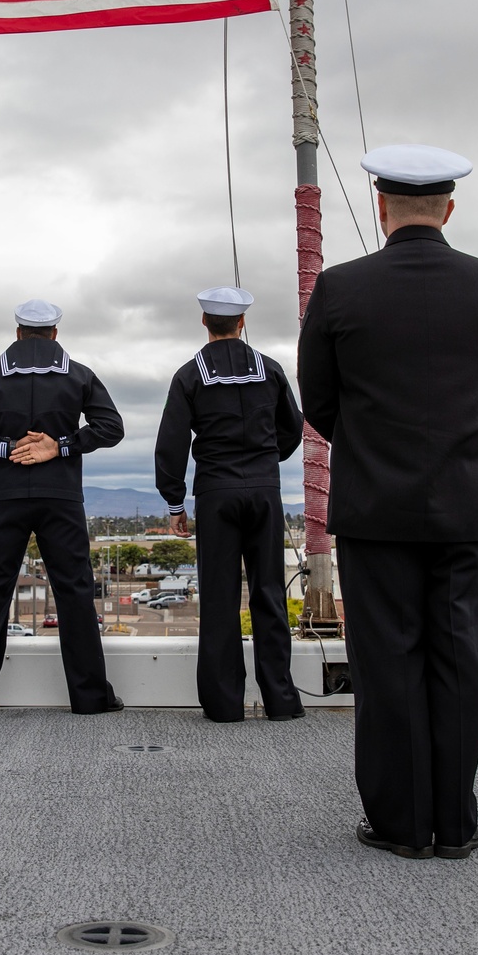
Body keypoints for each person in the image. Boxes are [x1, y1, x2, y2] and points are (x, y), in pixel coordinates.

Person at [298, 145, 478, 860]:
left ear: (381, 205)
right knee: (461, 658)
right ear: (449, 209)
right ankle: (455, 824)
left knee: (387, 662)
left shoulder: (339, 289)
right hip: (466, 503)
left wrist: (375, 448)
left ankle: (400, 824)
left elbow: (321, 403)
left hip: (376, 506)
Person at [0, 299, 125, 715]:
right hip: (61, 498)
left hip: (5, 499)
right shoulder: (79, 376)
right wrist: (60, 446)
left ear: (18, 333)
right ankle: (90, 697)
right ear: (55, 334)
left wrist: (7, 446)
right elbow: (111, 428)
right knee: (75, 592)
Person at [154, 286, 305, 722]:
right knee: (269, 594)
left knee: (219, 598)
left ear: (205, 322)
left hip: (216, 494)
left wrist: (175, 504)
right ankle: (281, 700)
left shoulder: (189, 375)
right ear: (242, 323)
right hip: (264, 492)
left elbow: (172, 444)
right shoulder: (270, 369)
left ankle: (224, 705)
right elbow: (293, 429)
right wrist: (264, 461)